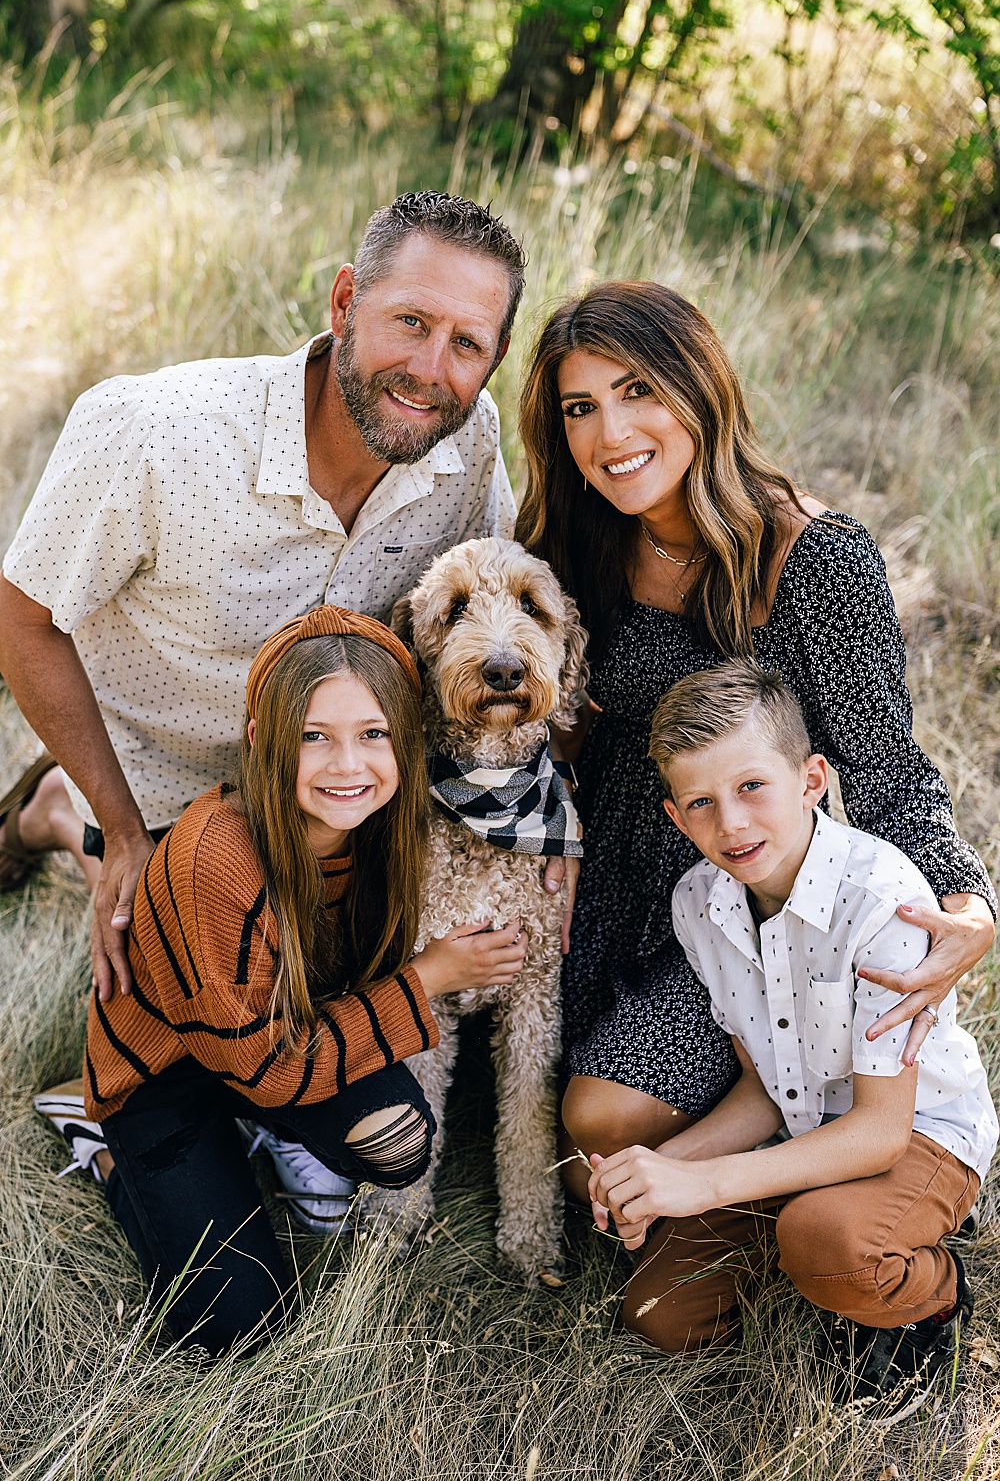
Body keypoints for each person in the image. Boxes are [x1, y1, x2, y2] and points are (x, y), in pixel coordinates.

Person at [0, 190, 585, 1010]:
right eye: (410, 322)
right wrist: (125, 831)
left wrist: (542, 804)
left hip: (344, 787)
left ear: (496, 354)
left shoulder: (469, 432)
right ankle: (65, 812)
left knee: (338, 1004)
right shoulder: (152, 428)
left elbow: (494, 621)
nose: (429, 370)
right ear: (345, 301)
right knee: (213, 1021)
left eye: (466, 343)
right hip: (168, 785)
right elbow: (23, 620)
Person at [514, 281, 996, 1206]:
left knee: (600, 1122)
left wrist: (968, 905)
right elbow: (554, 725)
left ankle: (791, 1137)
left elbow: (887, 772)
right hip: (606, 874)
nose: (611, 435)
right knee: (536, 1123)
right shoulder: (579, 543)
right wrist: (548, 833)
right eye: (582, 408)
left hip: (744, 898)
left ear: (698, 388)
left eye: (637, 391)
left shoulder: (817, 559)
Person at [40, 607, 528, 1357]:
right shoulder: (218, 861)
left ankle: (257, 1136)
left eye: (373, 735)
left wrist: (561, 841)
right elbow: (269, 1067)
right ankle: (104, 1142)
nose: (347, 765)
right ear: (263, 740)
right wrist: (429, 978)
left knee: (401, 1144)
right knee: (238, 1330)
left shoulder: (388, 829)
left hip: (277, 1035)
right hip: (167, 1074)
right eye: (313, 737)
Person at [588, 661, 997, 1414]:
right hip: (803, 1133)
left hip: (916, 1135)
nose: (732, 825)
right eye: (702, 803)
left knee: (827, 1238)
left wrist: (707, 1183)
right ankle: (811, 1259)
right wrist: (662, 1164)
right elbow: (764, 1091)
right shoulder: (699, 902)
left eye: (752, 788)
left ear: (811, 780)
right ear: (677, 818)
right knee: (660, 1316)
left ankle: (928, 1297)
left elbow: (878, 1133)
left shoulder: (881, 899)